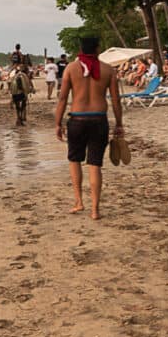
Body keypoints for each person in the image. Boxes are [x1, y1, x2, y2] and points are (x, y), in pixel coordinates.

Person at [54, 35, 124, 221]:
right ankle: (95, 209)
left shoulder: (71, 68)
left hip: (77, 119)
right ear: (97, 49)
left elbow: (62, 99)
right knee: (95, 165)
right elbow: (116, 100)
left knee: (75, 160)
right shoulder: (108, 70)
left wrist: (57, 123)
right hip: (99, 120)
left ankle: (78, 202)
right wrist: (119, 123)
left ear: (81, 49)